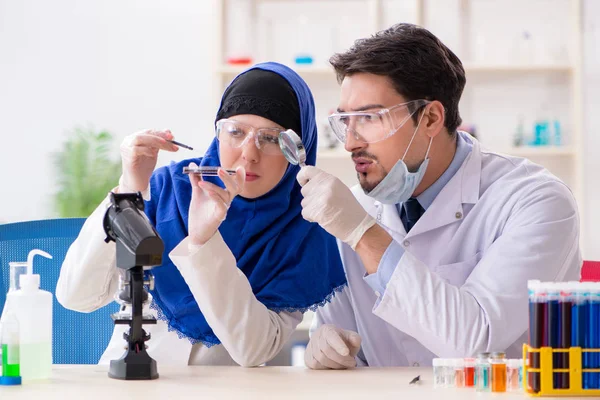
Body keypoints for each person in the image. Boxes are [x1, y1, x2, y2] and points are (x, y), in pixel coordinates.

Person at [297, 23, 582, 369]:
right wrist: (325, 348)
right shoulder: (349, 210)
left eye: (369, 117)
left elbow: (474, 341)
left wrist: (362, 234)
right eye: (345, 120)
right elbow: (347, 347)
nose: (350, 142)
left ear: (431, 118)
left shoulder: (536, 201)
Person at [56, 62, 346, 367]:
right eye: (235, 132)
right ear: (218, 134)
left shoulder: (303, 225)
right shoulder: (166, 190)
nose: (248, 153)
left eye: (271, 138)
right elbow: (77, 296)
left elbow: (254, 349)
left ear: (297, 151)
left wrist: (204, 242)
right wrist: (128, 192)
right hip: (133, 384)